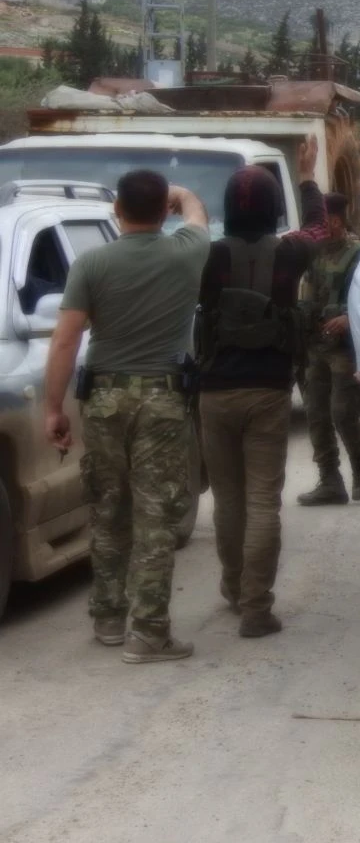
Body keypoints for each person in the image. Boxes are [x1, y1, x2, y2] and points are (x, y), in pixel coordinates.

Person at [43, 170, 210, 663]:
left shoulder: (91, 264)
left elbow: (66, 339)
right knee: (155, 514)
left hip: (104, 400)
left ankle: (109, 618)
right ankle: (148, 632)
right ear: (164, 211)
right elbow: (197, 213)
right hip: (162, 399)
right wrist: (179, 193)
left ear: (116, 210)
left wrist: (54, 407)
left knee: (108, 508)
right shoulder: (186, 252)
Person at [196, 140, 327, 637]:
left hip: (214, 391)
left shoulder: (208, 257)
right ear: (275, 209)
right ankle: (257, 606)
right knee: (262, 503)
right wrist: (308, 177)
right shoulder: (291, 254)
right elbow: (319, 227)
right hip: (269, 392)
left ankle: (233, 587)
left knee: (227, 501)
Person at [298, 192, 360, 506]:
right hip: (315, 344)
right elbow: (305, 292)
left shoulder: (357, 254)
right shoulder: (312, 253)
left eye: (325, 220)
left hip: (344, 347)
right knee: (315, 413)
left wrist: (348, 318)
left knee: (342, 412)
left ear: (337, 220)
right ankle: (330, 480)